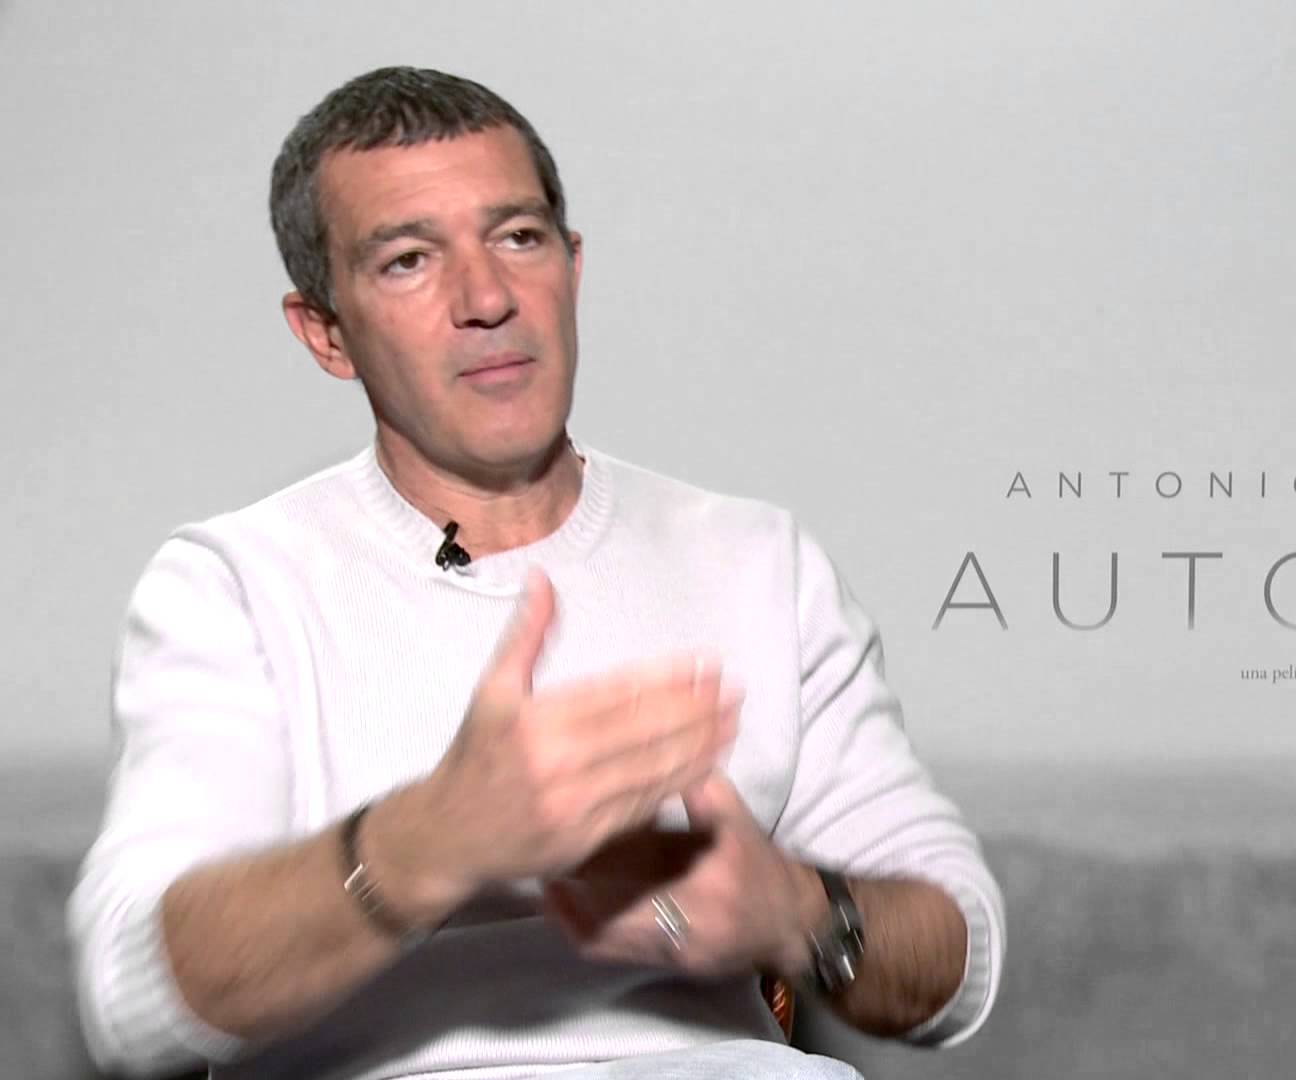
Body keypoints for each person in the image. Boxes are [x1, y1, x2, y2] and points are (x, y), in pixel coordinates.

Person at [67, 66, 1003, 1080]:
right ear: (327, 335)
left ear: (573, 266)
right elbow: (132, 991)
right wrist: (425, 846)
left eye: (518, 238)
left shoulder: (757, 562)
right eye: (409, 260)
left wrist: (797, 911)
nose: (487, 299)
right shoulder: (232, 588)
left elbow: (957, 970)